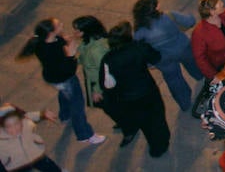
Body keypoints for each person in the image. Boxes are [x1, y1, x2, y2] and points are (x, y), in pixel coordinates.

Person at [17, 18, 106, 147]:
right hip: (64, 79)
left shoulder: (43, 41)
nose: (62, 25)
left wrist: (69, 39)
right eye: (59, 25)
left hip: (53, 79)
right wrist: (71, 55)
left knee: (64, 94)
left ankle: (64, 115)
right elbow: (68, 70)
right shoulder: (50, 51)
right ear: (51, 32)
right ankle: (84, 134)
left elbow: (61, 42)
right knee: (78, 106)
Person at [99, 21, 170, 156]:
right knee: (157, 117)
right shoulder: (139, 48)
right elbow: (156, 57)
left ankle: (154, 146)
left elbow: (108, 85)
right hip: (148, 91)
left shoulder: (108, 59)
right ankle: (161, 143)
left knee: (144, 123)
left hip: (129, 98)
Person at [131, 0, 202, 114]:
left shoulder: (140, 31)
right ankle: (199, 76)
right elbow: (190, 21)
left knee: (174, 80)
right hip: (183, 48)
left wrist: (149, 63)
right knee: (192, 63)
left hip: (162, 59)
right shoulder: (169, 16)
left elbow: (140, 50)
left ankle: (184, 103)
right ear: (155, 8)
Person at [0, 103, 64, 172]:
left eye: (16, 123)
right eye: (9, 126)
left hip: (34, 153)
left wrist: (43, 114)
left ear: (21, 121)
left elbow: (29, 116)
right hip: (17, 165)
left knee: (50, 166)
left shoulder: (25, 122)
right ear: (3, 128)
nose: (14, 129)